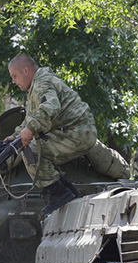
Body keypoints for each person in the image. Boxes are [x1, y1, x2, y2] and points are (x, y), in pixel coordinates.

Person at [6, 53, 98, 215]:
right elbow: (31, 118)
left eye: (15, 76)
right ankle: (66, 191)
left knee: (31, 151)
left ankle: (59, 193)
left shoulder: (43, 83)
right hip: (76, 132)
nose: (13, 81)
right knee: (27, 146)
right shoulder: (38, 85)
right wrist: (16, 135)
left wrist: (30, 130)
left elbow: (50, 107)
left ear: (26, 71)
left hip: (77, 134)